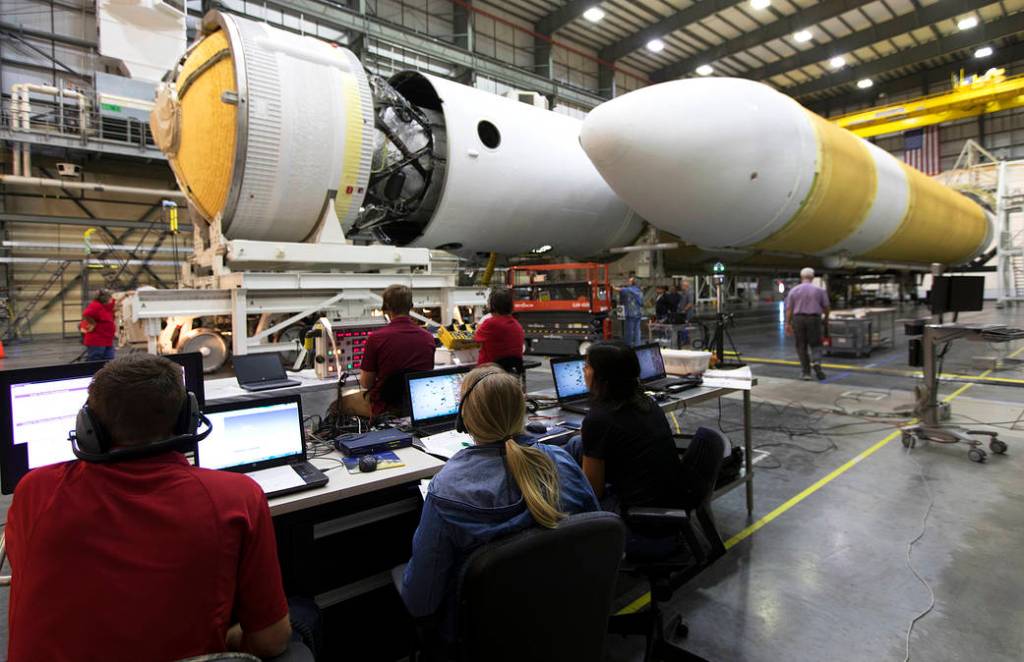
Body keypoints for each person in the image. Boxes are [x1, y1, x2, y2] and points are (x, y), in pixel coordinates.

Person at [5, 354, 305, 661]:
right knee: (303, 614)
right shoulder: (237, 496)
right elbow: (271, 641)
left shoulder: (35, 490)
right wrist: (226, 637)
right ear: (187, 418)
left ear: (88, 428)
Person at [397, 365, 598, 645]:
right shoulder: (561, 461)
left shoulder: (445, 490)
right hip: (566, 624)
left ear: (464, 420)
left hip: (485, 641)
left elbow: (420, 601)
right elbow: (594, 538)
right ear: (521, 411)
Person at [342, 284, 436, 418]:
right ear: (411, 306)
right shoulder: (428, 337)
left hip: (385, 407)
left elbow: (365, 383)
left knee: (340, 403)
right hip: (418, 405)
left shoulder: (376, 338)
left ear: (386, 308)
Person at [785, 267, 830, 381]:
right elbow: (826, 307)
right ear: (812, 277)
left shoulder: (794, 290)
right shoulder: (819, 290)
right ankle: (816, 362)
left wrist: (788, 323)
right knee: (816, 344)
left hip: (798, 319)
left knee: (801, 346)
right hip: (814, 319)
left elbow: (789, 309)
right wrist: (826, 318)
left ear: (801, 277)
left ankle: (806, 372)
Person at [474, 287, 525, 367]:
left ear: (492, 305)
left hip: (489, 373)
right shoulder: (516, 324)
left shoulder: (490, 323)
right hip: (511, 373)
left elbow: (475, 340)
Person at [81, 288, 116, 361]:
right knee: (95, 362)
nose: (111, 298)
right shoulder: (96, 306)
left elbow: (114, 302)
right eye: (109, 297)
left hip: (107, 340)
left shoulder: (105, 306)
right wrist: (92, 323)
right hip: (97, 341)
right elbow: (86, 314)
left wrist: (126, 294)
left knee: (109, 360)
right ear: (104, 298)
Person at [618, 276, 644, 347]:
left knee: (629, 331)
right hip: (638, 314)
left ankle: (628, 346)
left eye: (629, 281)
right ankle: (637, 345)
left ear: (632, 283)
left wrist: (612, 286)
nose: (628, 282)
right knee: (637, 331)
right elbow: (642, 303)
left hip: (630, 314)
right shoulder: (639, 291)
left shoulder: (627, 290)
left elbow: (619, 291)